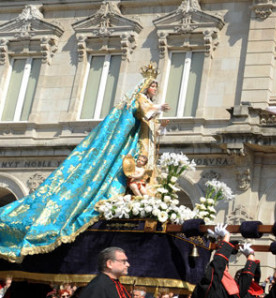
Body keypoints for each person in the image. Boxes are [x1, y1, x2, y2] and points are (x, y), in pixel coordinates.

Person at [0, 63, 170, 261]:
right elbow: (143, 110)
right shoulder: (139, 98)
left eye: (156, 88)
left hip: (141, 142)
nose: (155, 90)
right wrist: (158, 108)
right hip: (134, 144)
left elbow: (148, 118)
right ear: (146, 86)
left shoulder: (145, 102)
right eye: (153, 86)